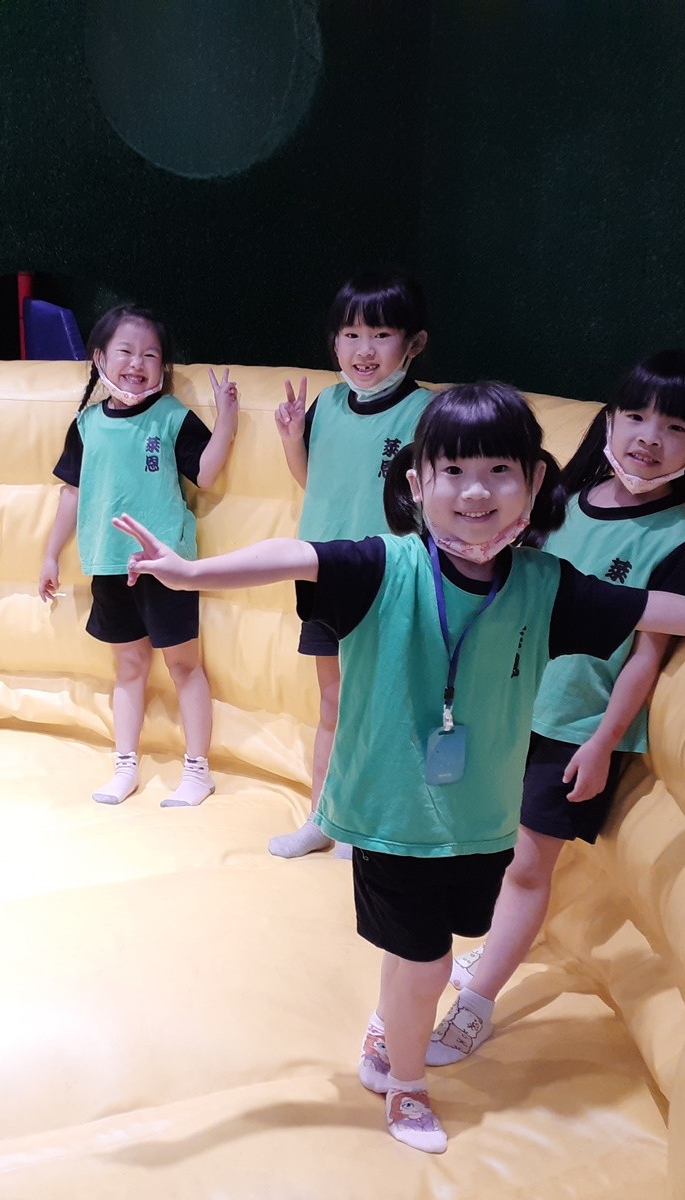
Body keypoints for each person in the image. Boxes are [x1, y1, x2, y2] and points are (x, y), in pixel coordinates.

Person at [111, 380, 685, 1153]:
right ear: (418, 485)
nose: (475, 491)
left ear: (535, 482)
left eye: (497, 471)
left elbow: (653, 610)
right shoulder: (385, 565)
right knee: (428, 960)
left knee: (425, 947)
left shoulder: (544, 586)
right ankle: (407, 1083)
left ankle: (390, 1025)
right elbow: (296, 556)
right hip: (390, 813)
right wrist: (190, 572)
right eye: (452, 471)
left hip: (480, 819)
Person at [428, 351, 685, 1066]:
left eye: (674, 427)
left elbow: (648, 655)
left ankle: (477, 1004)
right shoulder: (562, 499)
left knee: (530, 868)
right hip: (507, 705)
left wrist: (602, 743)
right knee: (493, 848)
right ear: (610, 420)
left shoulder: (678, 541)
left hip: (573, 731)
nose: (649, 437)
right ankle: (492, 951)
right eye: (636, 416)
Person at [39, 304, 238, 806]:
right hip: (107, 563)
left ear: (163, 366)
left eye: (150, 354)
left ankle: (198, 770)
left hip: (166, 563)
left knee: (184, 666)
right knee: (128, 667)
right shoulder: (86, 424)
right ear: (99, 358)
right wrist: (50, 555)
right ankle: (125, 765)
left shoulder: (171, 417)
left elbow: (206, 473)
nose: (137, 363)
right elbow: (71, 494)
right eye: (126, 351)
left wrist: (227, 420)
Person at [270, 269, 434, 858]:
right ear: (334, 342)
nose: (365, 350)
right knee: (334, 702)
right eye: (351, 335)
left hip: (388, 580)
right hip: (323, 572)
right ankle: (324, 818)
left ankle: (369, 825)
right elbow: (316, 484)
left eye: (381, 335)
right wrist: (292, 438)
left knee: (384, 708)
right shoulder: (328, 403)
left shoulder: (427, 414)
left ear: (413, 344)